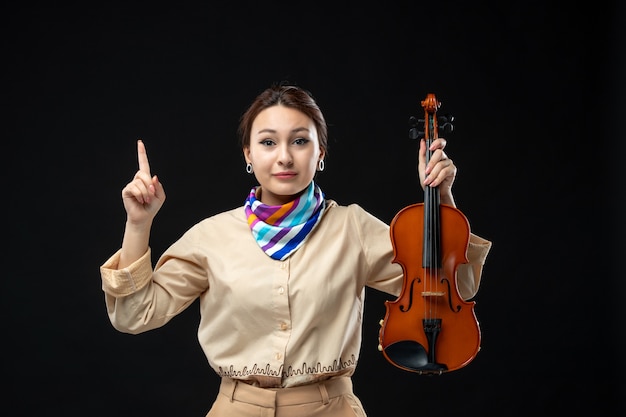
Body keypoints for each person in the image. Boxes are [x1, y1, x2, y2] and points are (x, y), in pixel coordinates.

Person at [100, 83, 492, 417]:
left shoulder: (352, 228)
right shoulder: (211, 236)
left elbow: (452, 289)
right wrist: (139, 223)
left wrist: (442, 199)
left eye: (300, 141)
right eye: (268, 142)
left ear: (320, 153)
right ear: (248, 155)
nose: (284, 156)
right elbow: (134, 315)